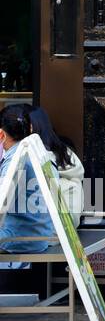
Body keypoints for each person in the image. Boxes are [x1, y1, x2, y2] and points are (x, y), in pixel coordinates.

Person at [0, 104, 55, 294]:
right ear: (30, 129)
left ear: (1, 135)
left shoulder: (16, 160)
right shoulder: (40, 154)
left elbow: (2, 200)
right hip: (41, 234)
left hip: (19, 239)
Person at [27, 107, 85, 220]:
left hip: (45, 230)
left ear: (31, 127)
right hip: (62, 229)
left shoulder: (35, 157)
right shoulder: (65, 153)